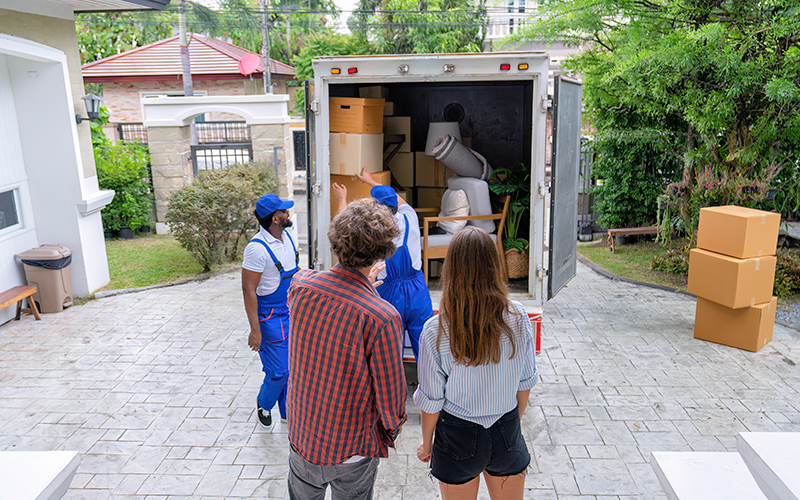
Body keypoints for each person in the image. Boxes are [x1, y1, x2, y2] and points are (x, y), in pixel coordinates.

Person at [286, 198, 408, 500]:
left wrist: (361, 284)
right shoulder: (382, 317)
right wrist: (390, 431)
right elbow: (391, 397)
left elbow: (333, 294)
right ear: (383, 251)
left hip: (302, 435)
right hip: (351, 446)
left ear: (335, 241)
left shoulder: (300, 286)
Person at [414, 226, 537, 500]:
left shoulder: (436, 330)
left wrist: (427, 444)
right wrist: (510, 426)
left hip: (457, 436)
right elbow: (525, 383)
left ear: (451, 270)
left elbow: (431, 401)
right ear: (494, 265)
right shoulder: (519, 317)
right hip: (506, 427)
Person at [332, 167, 434, 361]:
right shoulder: (410, 216)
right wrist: (371, 181)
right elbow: (396, 197)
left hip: (388, 294)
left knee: (389, 353)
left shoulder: (374, 230)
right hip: (417, 290)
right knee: (426, 348)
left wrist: (342, 198)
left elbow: (345, 230)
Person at [242, 193, 299, 428]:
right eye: (283, 211)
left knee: (292, 367)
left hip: (292, 311)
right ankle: (264, 403)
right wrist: (255, 330)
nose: (287, 213)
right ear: (274, 218)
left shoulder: (288, 237)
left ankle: (287, 412)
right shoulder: (257, 249)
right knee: (279, 372)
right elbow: (248, 289)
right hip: (270, 316)